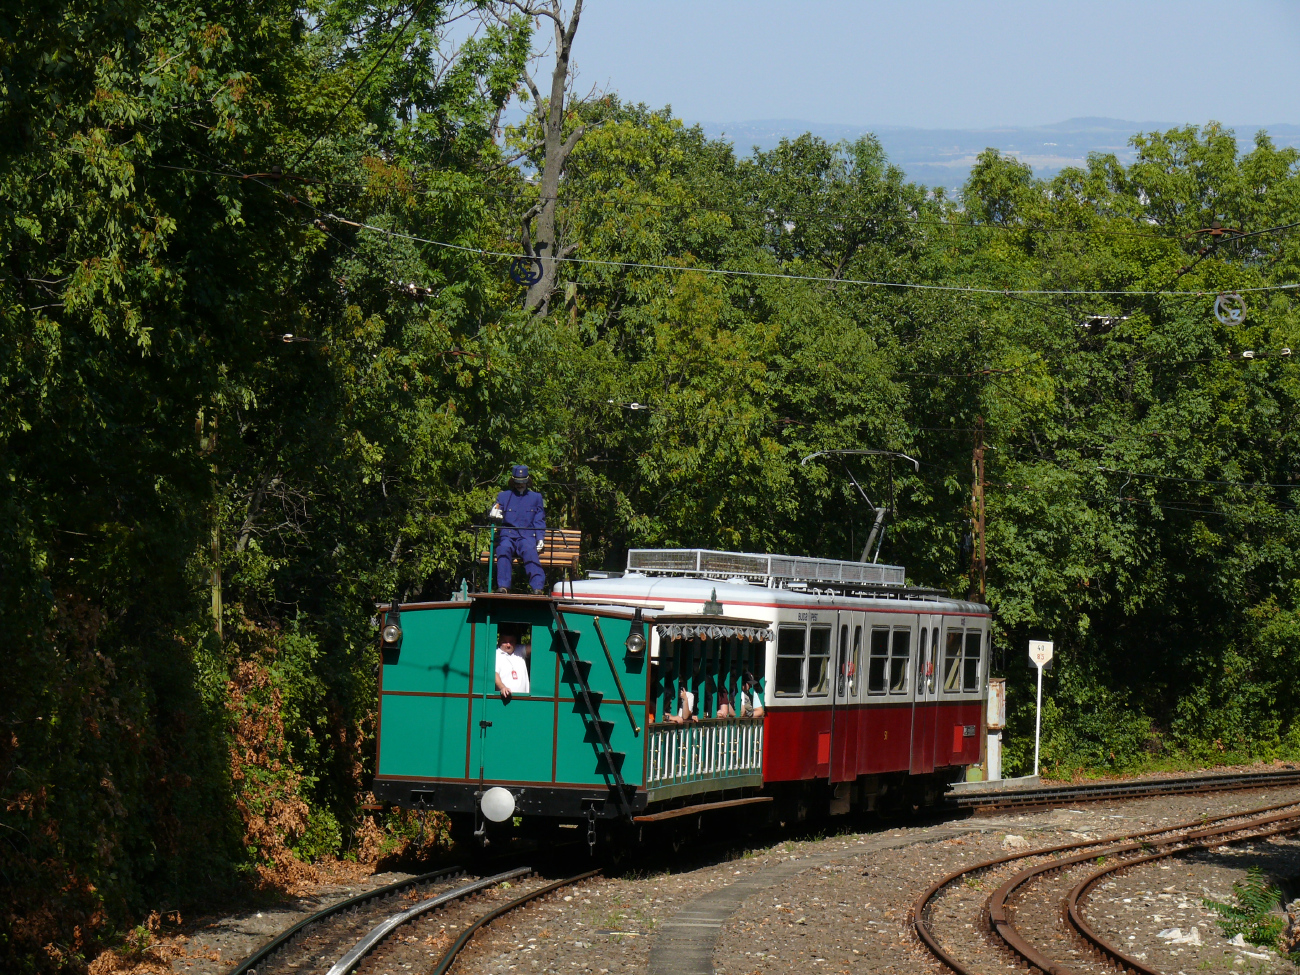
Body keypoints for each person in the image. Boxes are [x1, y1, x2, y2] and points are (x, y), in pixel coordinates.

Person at [489, 464, 547, 594]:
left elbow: (539, 520)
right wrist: (495, 513)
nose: (520, 485)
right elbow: (497, 510)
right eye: (517, 482)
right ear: (513, 481)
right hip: (508, 535)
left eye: (522, 482)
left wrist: (540, 538)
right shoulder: (504, 496)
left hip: (526, 536)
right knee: (503, 549)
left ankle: (537, 587)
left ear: (527, 481)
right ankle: (503, 586)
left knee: (529, 551)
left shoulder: (536, 498)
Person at [495, 629, 530, 701]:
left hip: (523, 699)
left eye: (511, 642)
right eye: (505, 642)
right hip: (505, 698)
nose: (508, 645)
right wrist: (502, 688)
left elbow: (534, 647)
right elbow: (495, 674)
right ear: (499, 642)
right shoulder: (496, 654)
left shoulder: (519, 650)